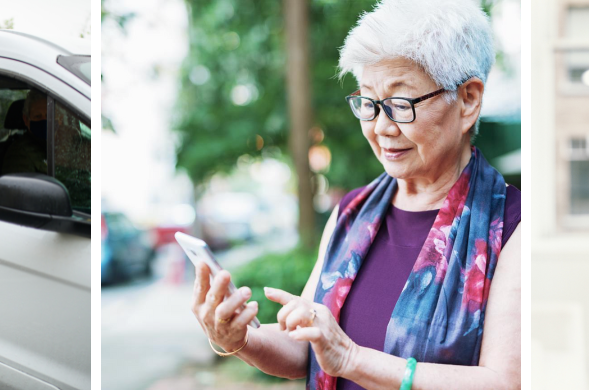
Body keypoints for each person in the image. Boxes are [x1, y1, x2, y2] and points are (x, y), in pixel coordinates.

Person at [189, 1, 521, 389]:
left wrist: (351, 358)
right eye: (368, 102)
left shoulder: (513, 227)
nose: (381, 126)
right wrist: (239, 338)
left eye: (400, 104)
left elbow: (505, 382)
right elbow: (308, 350)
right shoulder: (352, 212)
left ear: (467, 100)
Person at [0, 89, 47, 175]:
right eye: (37, 116)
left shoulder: (59, 145)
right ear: (26, 120)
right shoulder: (19, 154)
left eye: (49, 116)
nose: (44, 120)